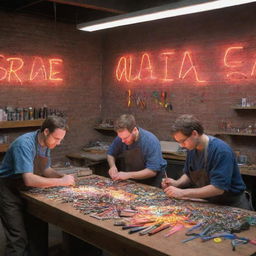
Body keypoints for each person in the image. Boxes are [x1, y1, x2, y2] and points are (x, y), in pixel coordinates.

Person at [0, 116, 75, 256]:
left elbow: (46, 170)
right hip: (7, 188)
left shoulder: (46, 144)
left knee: (37, 229)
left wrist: (64, 178)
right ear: (46, 131)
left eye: (61, 139)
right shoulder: (24, 144)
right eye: (56, 138)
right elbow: (29, 179)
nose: (58, 143)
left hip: (25, 188)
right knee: (17, 237)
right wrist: (61, 182)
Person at [162, 114, 253, 210]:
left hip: (232, 205)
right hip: (211, 202)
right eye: (178, 142)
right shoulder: (192, 148)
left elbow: (217, 189)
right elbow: (189, 174)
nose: (181, 145)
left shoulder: (220, 151)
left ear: (194, 134)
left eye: (183, 141)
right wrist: (177, 183)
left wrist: (182, 193)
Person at [107, 114, 166, 187]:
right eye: (120, 138)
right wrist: (112, 166)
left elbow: (152, 171)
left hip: (153, 182)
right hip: (134, 180)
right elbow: (110, 153)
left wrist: (128, 175)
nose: (122, 141)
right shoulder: (121, 138)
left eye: (125, 138)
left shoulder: (150, 141)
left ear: (134, 130)